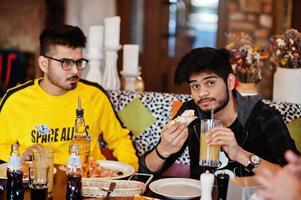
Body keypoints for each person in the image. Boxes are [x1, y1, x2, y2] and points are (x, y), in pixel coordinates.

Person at [139, 47, 299, 179]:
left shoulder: (264, 117)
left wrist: (240, 154)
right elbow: (146, 171)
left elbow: (295, 178)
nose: (202, 93)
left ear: (230, 82)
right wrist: (163, 149)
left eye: (210, 82)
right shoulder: (191, 113)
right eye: (195, 86)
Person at [0, 24, 138, 170]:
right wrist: (22, 153)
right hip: (40, 182)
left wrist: (132, 172)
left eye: (79, 62)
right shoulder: (15, 100)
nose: (75, 71)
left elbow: (119, 139)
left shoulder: (95, 95)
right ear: (44, 64)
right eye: (66, 63)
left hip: (90, 182)